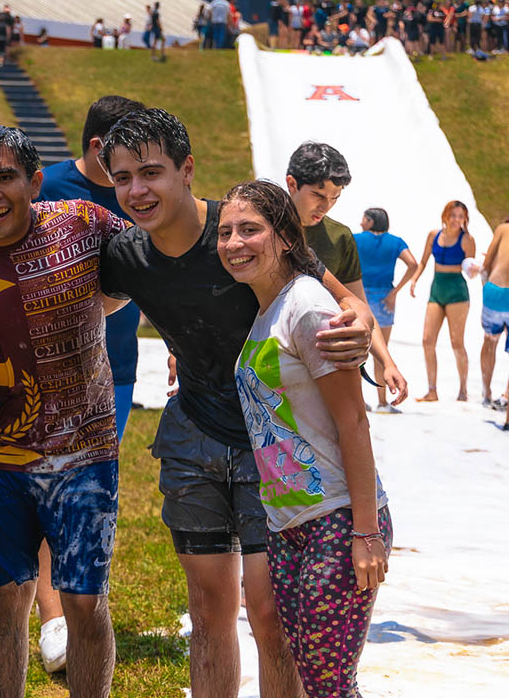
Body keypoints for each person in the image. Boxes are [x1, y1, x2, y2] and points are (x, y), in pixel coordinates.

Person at [98, 108, 402, 698]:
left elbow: (345, 305)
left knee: (269, 613)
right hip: (195, 437)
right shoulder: (127, 254)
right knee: (209, 611)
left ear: (187, 170)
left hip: (277, 457)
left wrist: (363, 331)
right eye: (123, 177)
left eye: (152, 172)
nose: (137, 190)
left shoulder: (243, 233)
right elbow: (82, 301)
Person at [0, 125, 130, 698]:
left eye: (5, 177)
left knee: (85, 602)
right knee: (5, 597)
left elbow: (162, 255)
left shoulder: (83, 223)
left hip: (84, 454)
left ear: (34, 181)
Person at [219, 180, 391, 698]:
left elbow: (353, 423)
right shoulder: (268, 309)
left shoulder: (308, 308)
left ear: (287, 238)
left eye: (250, 229)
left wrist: (364, 533)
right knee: (318, 679)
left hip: (336, 520)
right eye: (226, 232)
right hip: (288, 523)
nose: (233, 243)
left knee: (329, 685)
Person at [32, 95, 145, 673]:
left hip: (116, 368)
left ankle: (76, 607)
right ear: (99, 146)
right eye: (127, 156)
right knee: (50, 491)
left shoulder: (140, 194)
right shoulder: (44, 187)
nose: (138, 177)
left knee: (86, 492)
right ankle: (53, 619)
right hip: (46, 368)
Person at [410, 200, 476, 402]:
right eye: (453, 215)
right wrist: (414, 279)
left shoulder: (467, 240)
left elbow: (470, 267)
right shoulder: (434, 235)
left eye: (461, 216)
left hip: (457, 290)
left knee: (457, 342)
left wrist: (476, 271)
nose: (457, 219)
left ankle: (463, 390)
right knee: (427, 340)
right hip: (437, 288)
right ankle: (432, 390)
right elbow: (423, 261)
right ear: (445, 215)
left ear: (465, 219)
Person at [354, 208, 418, 412]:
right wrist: (395, 292)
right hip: (384, 298)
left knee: (355, 350)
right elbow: (413, 264)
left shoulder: (355, 239)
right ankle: (382, 402)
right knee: (382, 353)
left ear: (371, 221)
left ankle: (358, 400)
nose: (361, 222)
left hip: (359, 296)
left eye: (364, 219)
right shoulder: (395, 241)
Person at [285, 142, 364, 300]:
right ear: (292, 184)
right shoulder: (262, 228)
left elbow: (358, 302)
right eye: (318, 196)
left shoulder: (340, 237)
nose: (326, 207)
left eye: (334, 198)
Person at [479, 219, 509, 409]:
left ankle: (486, 392)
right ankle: (506, 396)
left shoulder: (503, 228)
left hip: (495, 292)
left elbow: (487, 262)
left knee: (490, 341)